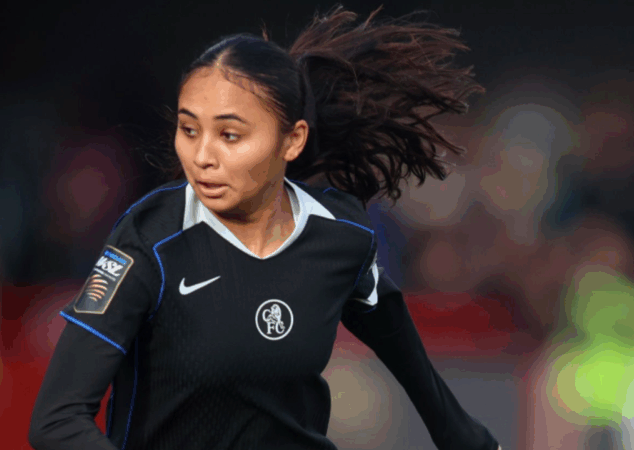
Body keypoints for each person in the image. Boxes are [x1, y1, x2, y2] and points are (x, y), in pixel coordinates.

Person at [29, 5, 501, 450]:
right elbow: (56, 420)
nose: (202, 156)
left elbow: (425, 384)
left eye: (230, 135)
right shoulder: (151, 239)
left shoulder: (341, 236)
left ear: (292, 140)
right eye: (189, 129)